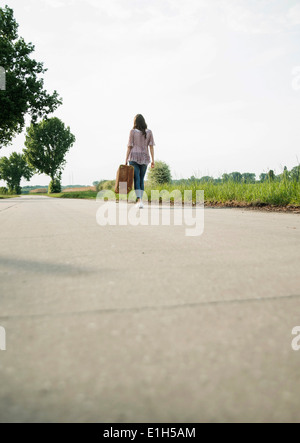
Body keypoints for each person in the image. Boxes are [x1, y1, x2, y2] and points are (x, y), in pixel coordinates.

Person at [125, 114, 155, 209]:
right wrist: (153, 160)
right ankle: (140, 200)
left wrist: (125, 160)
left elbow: (129, 146)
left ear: (135, 122)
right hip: (145, 157)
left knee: (136, 179)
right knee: (141, 179)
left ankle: (139, 200)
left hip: (133, 157)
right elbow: (151, 146)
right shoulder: (149, 132)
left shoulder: (132, 132)